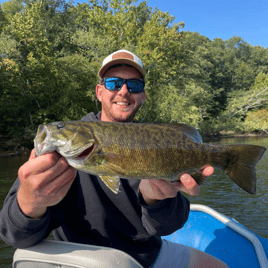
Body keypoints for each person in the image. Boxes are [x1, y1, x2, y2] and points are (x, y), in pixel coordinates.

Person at [0, 49, 228, 268]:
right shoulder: (57, 155)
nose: (124, 91)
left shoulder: (155, 139)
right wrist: (31, 203)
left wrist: (156, 201)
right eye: (113, 83)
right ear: (99, 91)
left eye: (135, 85)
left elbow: (168, 226)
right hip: (80, 260)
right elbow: (15, 235)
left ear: (143, 96)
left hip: (146, 256)